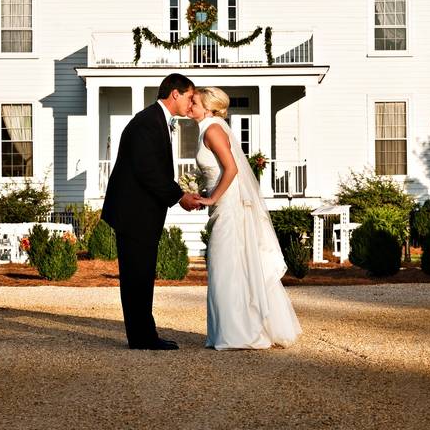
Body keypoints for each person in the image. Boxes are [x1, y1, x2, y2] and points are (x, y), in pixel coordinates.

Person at [190, 86, 301, 349]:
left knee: (224, 266)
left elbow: (232, 168)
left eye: (194, 101)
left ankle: (237, 334)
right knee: (227, 265)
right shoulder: (209, 128)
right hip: (223, 206)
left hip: (229, 207)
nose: (190, 104)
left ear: (207, 107)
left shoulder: (214, 129)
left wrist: (212, 197)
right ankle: (228, 331)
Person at [101, 73, 202, 350]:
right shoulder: (147, 123)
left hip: (140, 212)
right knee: (137, 276)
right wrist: (179, 196)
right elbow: (148, 171)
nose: (191, 103)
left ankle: (143, 334)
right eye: (190, 97)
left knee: (141, 275)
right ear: (175, 94)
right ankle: (142, 337)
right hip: (134, 213)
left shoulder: (155, 120)